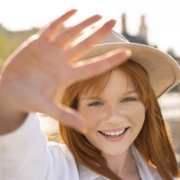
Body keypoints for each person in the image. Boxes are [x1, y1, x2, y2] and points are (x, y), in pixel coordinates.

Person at [0, 9, 180, 180]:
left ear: (146, 104)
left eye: (128, 99)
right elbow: (18, 152)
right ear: (74, 108)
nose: (114, 118)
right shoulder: (51, 169)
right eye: (95, 103)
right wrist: (10, 103)